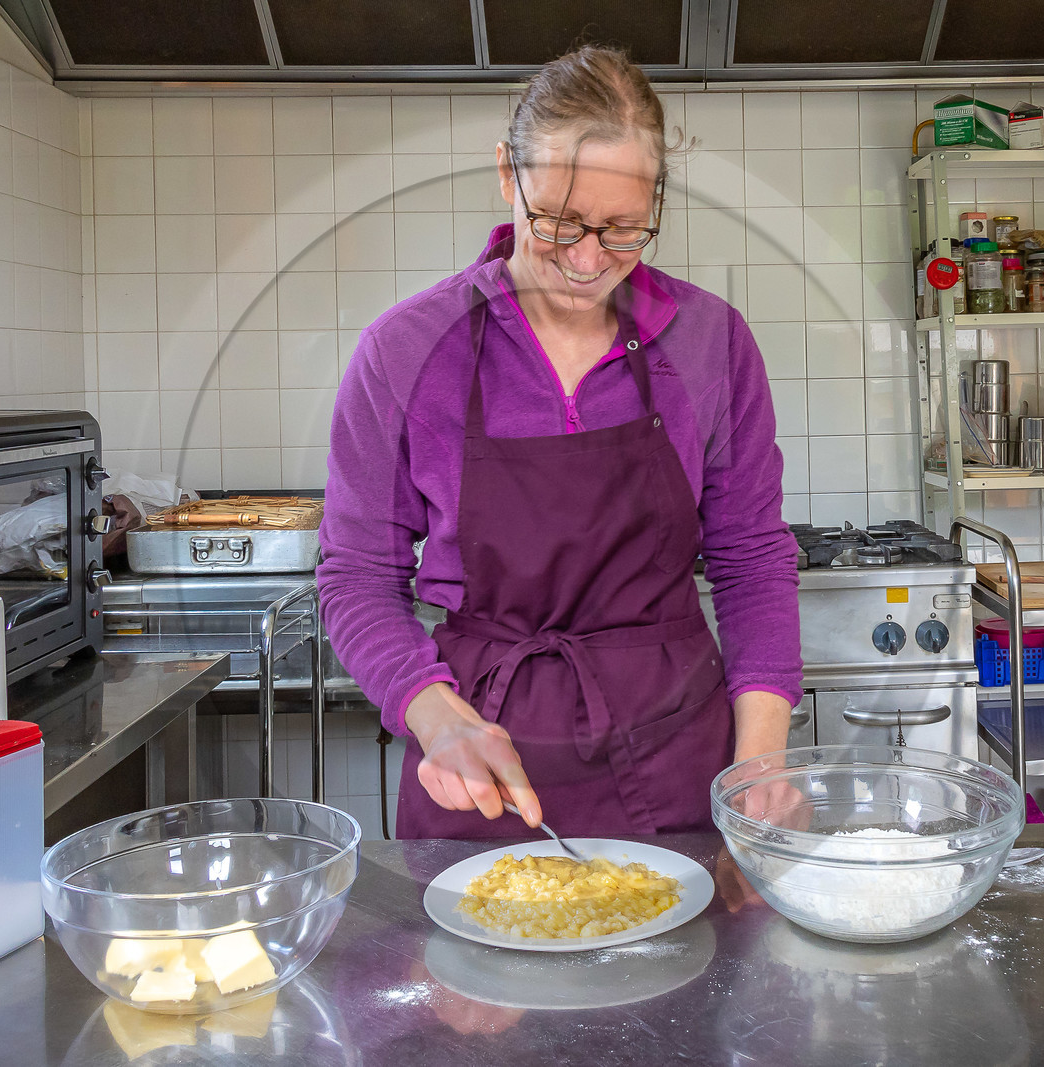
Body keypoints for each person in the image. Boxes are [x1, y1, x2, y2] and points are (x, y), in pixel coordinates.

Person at [318, 45, 801, 839]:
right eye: (559, 222)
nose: (585, 262)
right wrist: (436, 718)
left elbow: (751, 558)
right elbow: (359, 574)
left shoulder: (712, 342)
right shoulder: (406, 351)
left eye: (622, 231)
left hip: (677, 758)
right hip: (477, 767)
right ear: (508, 175)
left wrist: (760, 767)